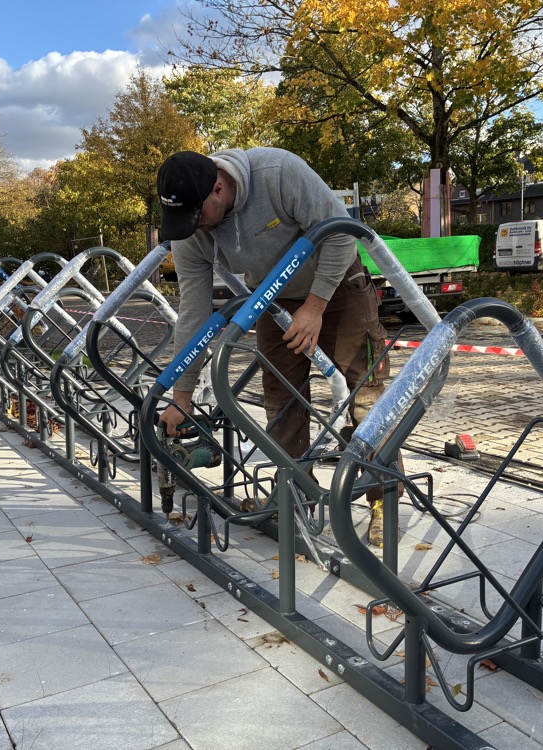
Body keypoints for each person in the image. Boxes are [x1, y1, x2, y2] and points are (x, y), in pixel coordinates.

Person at [157, 147, 395, 546]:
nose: (194, 228)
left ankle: (382, 502)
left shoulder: (278, 172)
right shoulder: (190, 230)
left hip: (336, 288)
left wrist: (315, 306)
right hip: (272, 296)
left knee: (365, 397)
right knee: (281, 403)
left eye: (197, 217)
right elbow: (193, 314)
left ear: (218, 188)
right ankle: (295, 497)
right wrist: (182, 394)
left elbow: (339, 233)